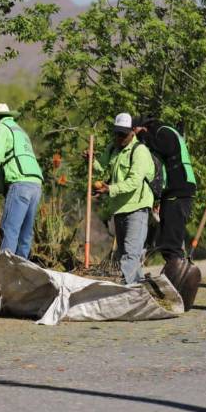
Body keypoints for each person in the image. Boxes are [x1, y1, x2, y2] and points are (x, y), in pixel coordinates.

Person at [133, 116, 200, 310]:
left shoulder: (164, 132)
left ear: (143, 127)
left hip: (179, 192)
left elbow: (166, 149)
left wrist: (145, 137)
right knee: (168, 242)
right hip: (174, 193)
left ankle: (176, 288)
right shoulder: (164, 132)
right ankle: (175, 286)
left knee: (171, 244)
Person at [88, 113, 155, 284]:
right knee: (125, 253)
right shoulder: (112, 148)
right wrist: (90, 160)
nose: (119, 138)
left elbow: (134, 182)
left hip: (137, 208)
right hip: (119, 208)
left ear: (133, 132)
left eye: (123, 134)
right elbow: (99, 167)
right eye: (117, 133)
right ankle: (138, 290)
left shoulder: (140, 151)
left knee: (131, 253)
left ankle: (123, 289)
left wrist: (109, 188)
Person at [0, 103, 43, 260]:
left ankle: (4, 272)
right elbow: (9, 165)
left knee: (9, 228)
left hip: (20, 185)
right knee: (25, 232)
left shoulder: (2, 127)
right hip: (35, 184)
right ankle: (22, 272)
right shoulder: (19, 131)